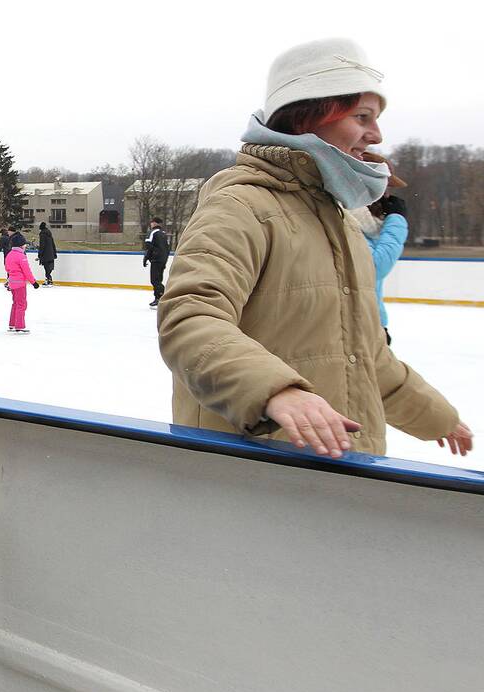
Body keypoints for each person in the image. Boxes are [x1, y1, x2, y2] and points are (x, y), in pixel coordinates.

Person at [158, 38, 472, 461]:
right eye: (362, 116)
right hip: (252, 468)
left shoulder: (340, 222)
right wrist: (276, 391)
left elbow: (367, 357)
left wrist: (436, 416)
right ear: (310, 114)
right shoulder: (241, 206)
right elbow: (190, 317)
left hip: (338, 467)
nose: (376, 134)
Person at [349, 152, 408, 345]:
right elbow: (375, 268)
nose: (388, 193)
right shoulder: (347, 218)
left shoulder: (372, 225)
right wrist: (397, 220)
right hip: (356, 328)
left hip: (370, 324)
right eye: (384, 184)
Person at [5, 231, 40, 333]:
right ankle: (19, 326)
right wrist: (34, 282)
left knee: (15, 303)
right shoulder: (21, 256)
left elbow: (7, 268)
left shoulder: (9, 254)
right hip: (20, 284)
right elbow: (27, 271)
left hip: (12, 283)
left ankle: (12, 324)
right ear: (21, 245)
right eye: (24, 244)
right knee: (21, 304)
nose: (25, 246)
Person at [143, 217, 169, 307]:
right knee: (158, 279)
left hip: (156, 259)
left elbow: (148, 245)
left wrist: (146, 257)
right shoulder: (164, 234)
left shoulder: (153, 232)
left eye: (152, 223)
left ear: (154, 223)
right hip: (163, 259)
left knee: (155, 280)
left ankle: (160, 298)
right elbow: (167, 248)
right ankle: (160, 297)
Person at [37, 222, 57, 286]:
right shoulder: (49, 234)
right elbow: (53, 244)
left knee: (46, 268)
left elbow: (42, 245)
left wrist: (40, 254)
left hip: (45, 254)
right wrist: (54, 253)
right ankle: (49, 279)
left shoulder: (42, 234)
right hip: (51, 253)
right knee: (49, 267)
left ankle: (48, 280)